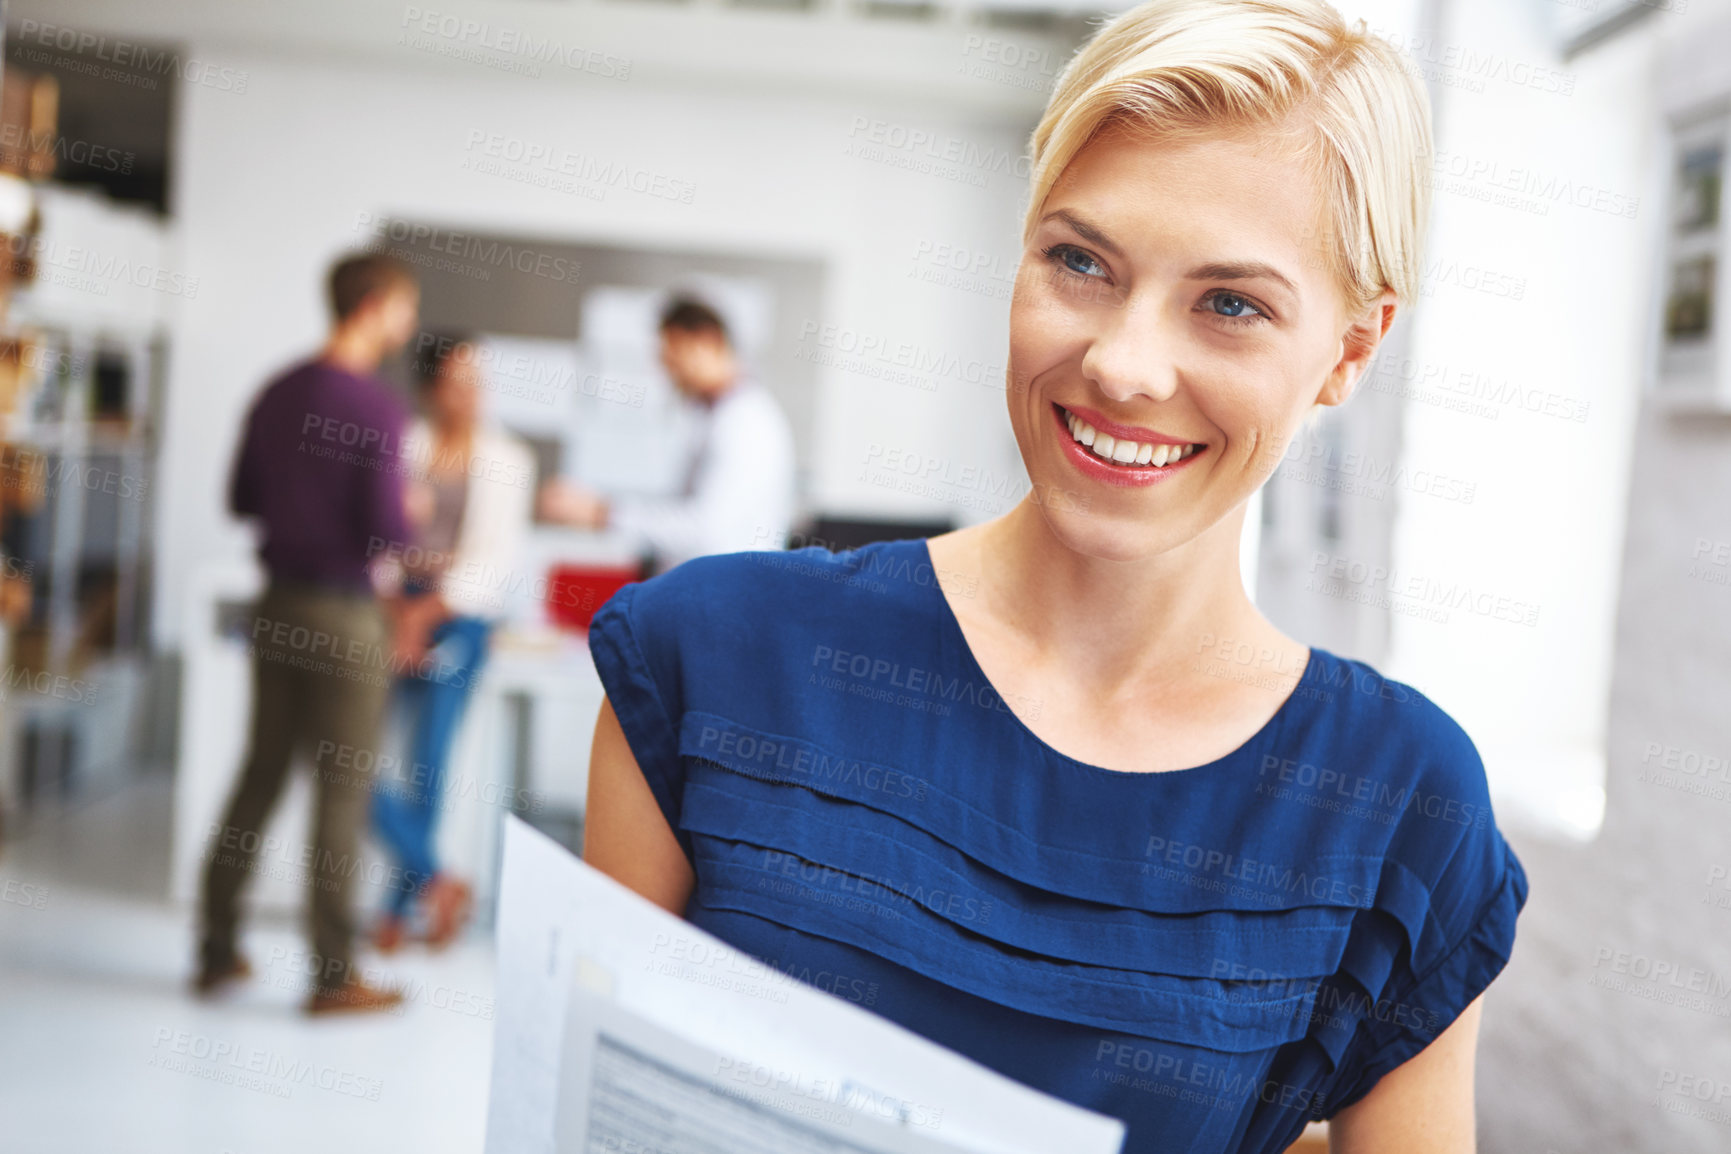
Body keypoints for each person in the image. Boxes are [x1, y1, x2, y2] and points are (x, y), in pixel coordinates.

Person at [580, 3, 1528, 1152]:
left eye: (1231, 304)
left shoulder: (1395, 802)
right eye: (1080, 262)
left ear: (1351, 351)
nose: (1123, 365)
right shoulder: (716, 659)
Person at [195, 252, 420, 1015]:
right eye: (404, 307)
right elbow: (387, 529)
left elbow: (239, 498)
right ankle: (333, 977)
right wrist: (412, 508)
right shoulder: (378, 409)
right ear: (378, 306)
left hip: (277, 603)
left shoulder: (278, 391)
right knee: (342, 788)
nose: (408, 323)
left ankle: (216, 947)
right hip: (344, 614)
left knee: (259, 772)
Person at [369, 332, 535, 952]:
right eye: (458, 379)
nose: (471, 393)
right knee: (346, 753)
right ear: (429, 388)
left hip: (462, 616)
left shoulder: (508, 459)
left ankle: (394, 907)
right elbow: (378, 541)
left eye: (478, 379)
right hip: (392, 607)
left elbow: (494, 560)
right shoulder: (402, 444)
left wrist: (424, 617)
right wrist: (398, 613)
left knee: (428, 760)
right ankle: (439, 881)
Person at [539, 296, 795, 572]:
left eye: (673, 357)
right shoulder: (712, 417)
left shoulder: (748, 423)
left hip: (727, 597)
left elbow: (705, 530)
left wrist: (602, 514)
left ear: (707, 341)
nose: (669, 372)